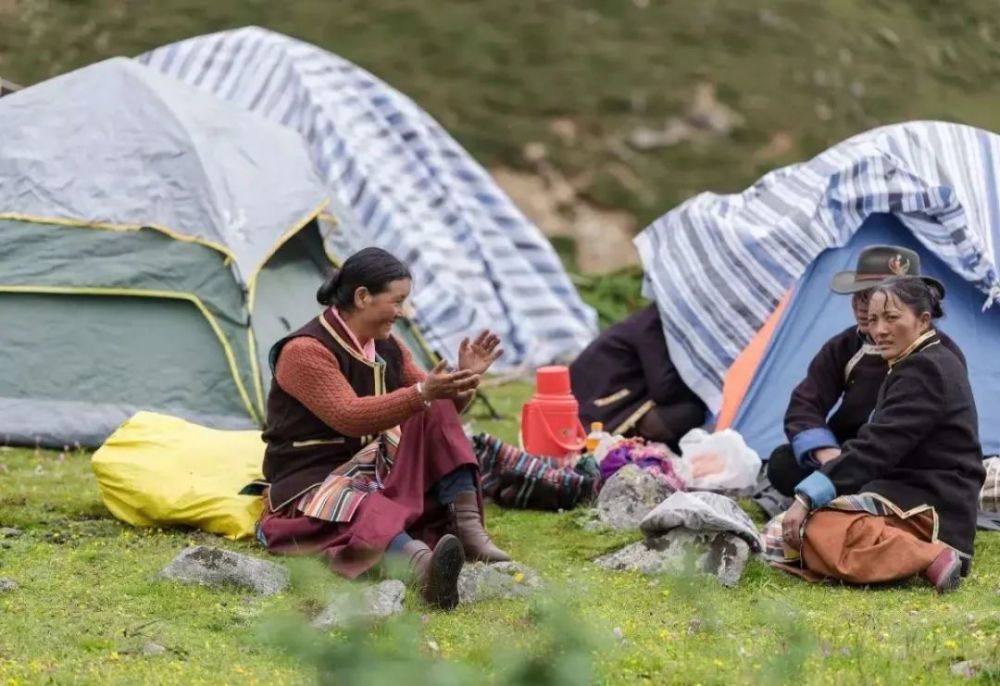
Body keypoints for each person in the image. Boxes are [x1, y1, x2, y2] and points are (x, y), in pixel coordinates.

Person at [257, 247, 509, 610]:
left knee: (429, 406)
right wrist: (424, 393)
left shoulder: (388, 346)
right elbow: (349, 416)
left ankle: (468, 530)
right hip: (312, 477)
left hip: (370, 463)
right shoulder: (304, 352)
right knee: (363, 504)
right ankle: (423, 567)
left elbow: (439, 409)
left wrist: (464, 379)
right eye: (398, 301)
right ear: (362, 297)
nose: (403, 312)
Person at [776, 276, 985, 592]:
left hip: (931, 504)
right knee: (791, 491)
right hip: (883, 474)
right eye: (873, 319)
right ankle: (902, 550)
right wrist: (826, 457)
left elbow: (879, 445)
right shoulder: (901, 356)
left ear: (923, 320)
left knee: (813, 527)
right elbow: (805, 404)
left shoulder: (927, 367)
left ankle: (928, 555)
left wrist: (809, 495)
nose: (879, 329)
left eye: (891, 317)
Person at [767, 245, 965, 497]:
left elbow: (912, 434)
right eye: (858, 295)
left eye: (873, 295)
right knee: (784, 463)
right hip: (849, 455)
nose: (863, 306)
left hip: (906, 461)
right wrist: (829, 456)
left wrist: (853, 467)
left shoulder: (940, 357)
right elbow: (806, 404)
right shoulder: (845, 346)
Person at [569, 304, 706, 450]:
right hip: (599, 416)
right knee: (689, 413)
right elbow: (664, 389)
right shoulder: (653, 324)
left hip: (603, 408)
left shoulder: (654, 320)